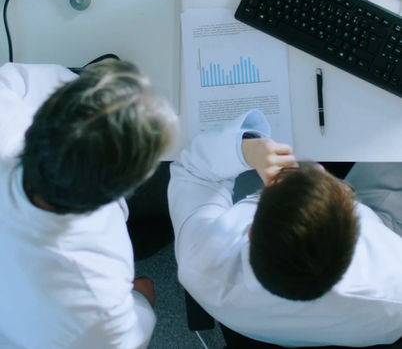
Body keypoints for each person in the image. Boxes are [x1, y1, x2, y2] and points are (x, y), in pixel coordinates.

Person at [168, 109, 402, 347]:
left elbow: (192, 172)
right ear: (356, 236)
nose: (319, 168)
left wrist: (246, 150)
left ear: (250, 232)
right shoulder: (394, 285)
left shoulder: (201, 265)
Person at [0, 59, 177, 348]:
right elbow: (133, 330)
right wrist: (141, 300)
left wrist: (88, 89)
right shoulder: (98, 300)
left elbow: (14, 78)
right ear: (124, 189)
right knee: (165, 219)